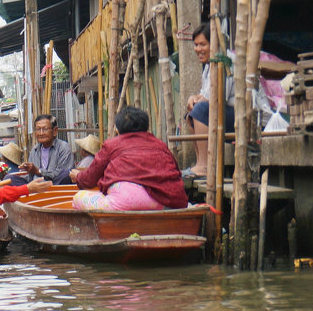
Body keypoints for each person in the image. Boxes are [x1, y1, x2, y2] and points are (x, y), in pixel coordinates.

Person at [72, 106, 188, 211]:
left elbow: (89, 179)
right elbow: (176, 173)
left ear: (118, 129)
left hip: (128, 203)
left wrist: (78, 177)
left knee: (78, 197)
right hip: (169, 203)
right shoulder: (161, 145)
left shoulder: (111, 145)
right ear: (146, 126)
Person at [185, 23, 235, 177]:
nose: (198, 49)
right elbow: (205, 94)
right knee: (191, 113)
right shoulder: (208, 66)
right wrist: (193, 98)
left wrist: (200, 101)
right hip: (224, 113)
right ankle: (200, 162)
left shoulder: (225, 60)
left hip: (241, 117)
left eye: (202, 44)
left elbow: (219, 96)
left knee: (200, 110)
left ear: (213, 44)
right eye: (196, 45)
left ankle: (205, 166)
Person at [19, 114, 75, 185]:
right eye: (38, 129)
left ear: (54, 131)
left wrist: (38, 171)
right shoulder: (35, 150)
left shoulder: (63, 147)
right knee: (11, 179)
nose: (41, 133)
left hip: (55, 186)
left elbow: (62, 174)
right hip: (37, 187)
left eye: (45, 129)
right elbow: (30, 177)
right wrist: (27, 168)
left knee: (65, 174)